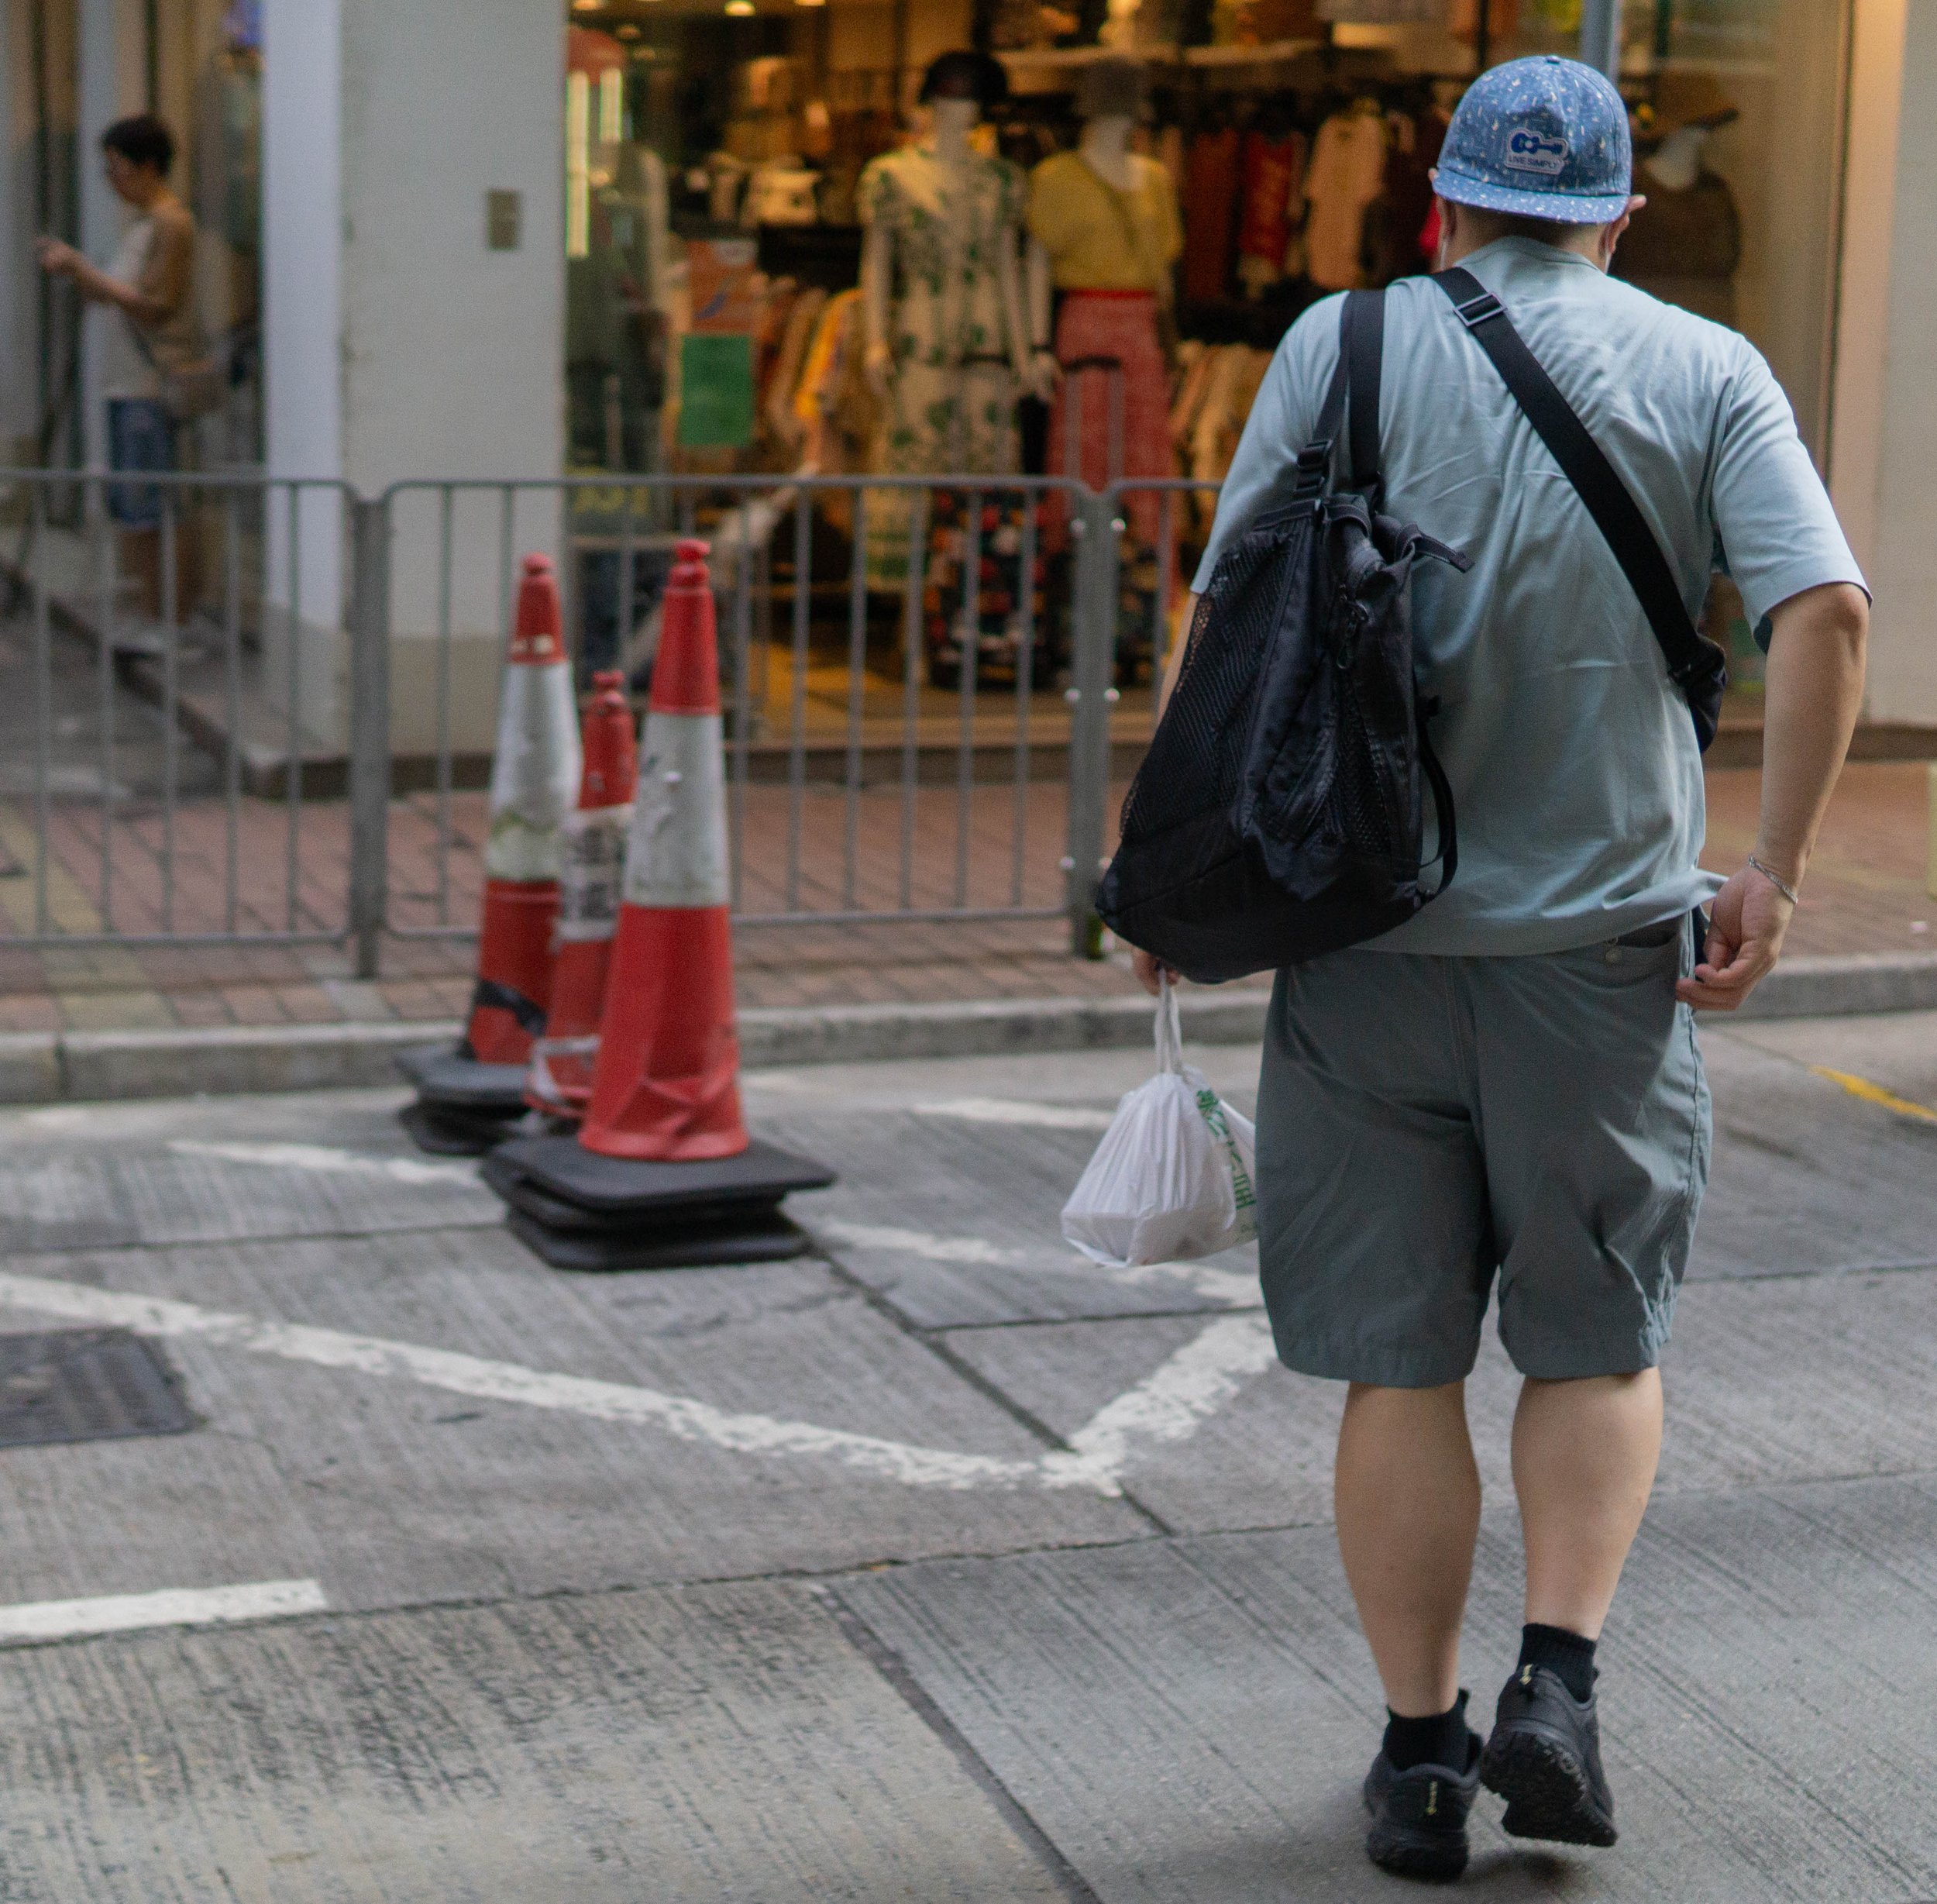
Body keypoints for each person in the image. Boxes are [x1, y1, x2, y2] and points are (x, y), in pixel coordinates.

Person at [1130, 56, 1868, 1882]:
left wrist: (1179, 867)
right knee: (1594, 1337)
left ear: (1440, 202)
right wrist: (1770, 871)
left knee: (1398, 1367)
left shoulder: (1338, 345)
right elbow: (1826, 612)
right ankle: (1556, 1678)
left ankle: (1413, 1757)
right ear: (1616, 217)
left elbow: (1225, 623)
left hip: (1362, 938)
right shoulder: (1708, 368)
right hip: (1603, 957)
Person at [37, 113, 208, 621]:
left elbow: (155, 305)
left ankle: (167, 616)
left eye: (118, 167)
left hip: (150, 385)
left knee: (150, 506)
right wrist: (77, 273)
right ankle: (152, 612)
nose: (112, 180)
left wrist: (83, 269)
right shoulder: (142, 225)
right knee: (134, 506)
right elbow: (118, 296)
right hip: (127, 383)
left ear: (147, 166)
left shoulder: (171, 224)